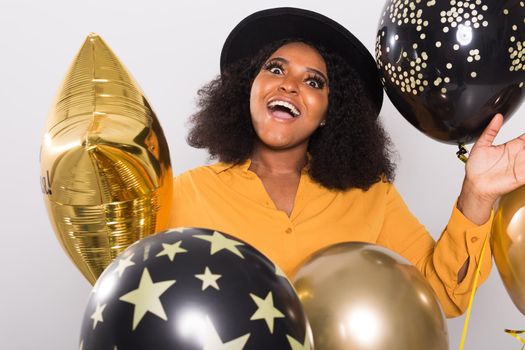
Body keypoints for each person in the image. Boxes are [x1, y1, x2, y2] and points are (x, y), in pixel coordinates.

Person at [170, 7, 525, 318]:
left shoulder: (372, 197)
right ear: (248, 89)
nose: (289, 85)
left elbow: (443, 296)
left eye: (313, 81)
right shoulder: (187, 193)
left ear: (329, 112)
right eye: (275, 69)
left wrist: (477, 194)